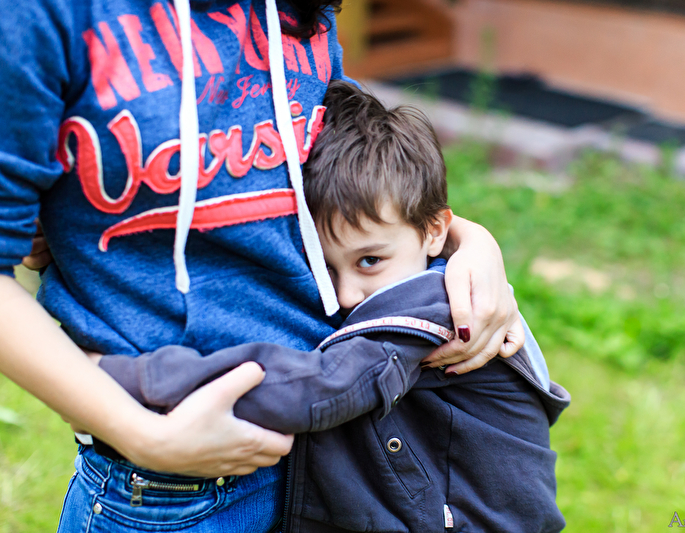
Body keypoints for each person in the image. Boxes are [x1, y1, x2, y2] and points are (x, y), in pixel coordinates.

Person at [0, 2, 524, 532]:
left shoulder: (301, 9)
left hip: (337, 450)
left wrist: (469, 241)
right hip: (167, 486)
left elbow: (346, 177)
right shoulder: (43, 15)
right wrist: (142, 435)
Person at [92, 80, 571, 532]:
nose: (345, 295)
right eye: (325, 267)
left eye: (369, 261)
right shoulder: (415, 268)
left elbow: (315, 390)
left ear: (434, 232)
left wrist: (123, 377)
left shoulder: (434, 305)